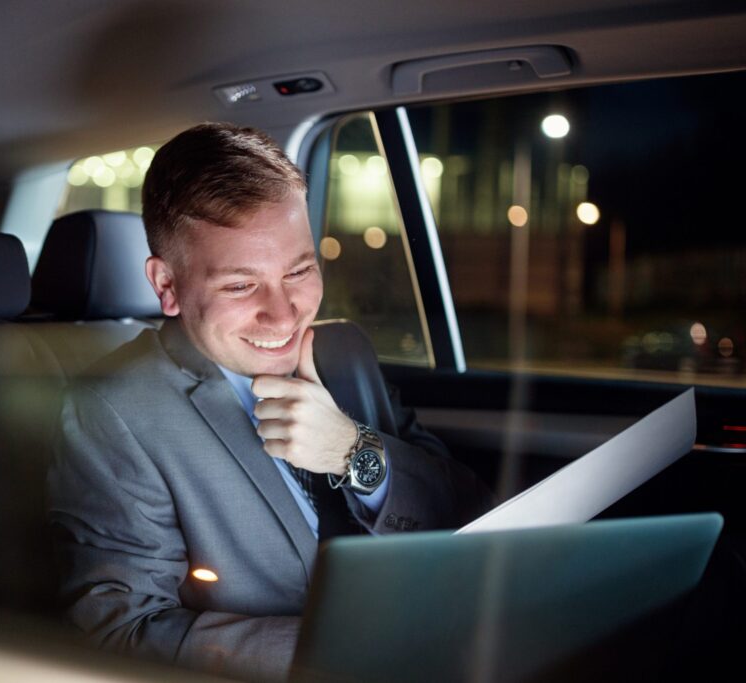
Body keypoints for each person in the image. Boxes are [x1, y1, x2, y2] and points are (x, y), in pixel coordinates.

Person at [47, 123, 493, 681]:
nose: (284, 316)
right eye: (240, 286)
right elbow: (118, 630)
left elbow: (472, 512)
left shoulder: (343, 352)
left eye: (300, 271)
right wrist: (358, 648)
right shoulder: (116, 409)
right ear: (166, 285)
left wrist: (356, 455)